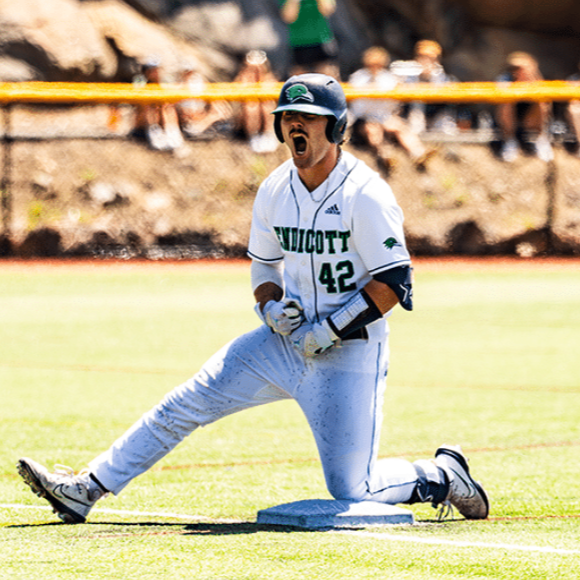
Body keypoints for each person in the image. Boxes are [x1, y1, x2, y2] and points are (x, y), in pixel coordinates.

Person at [16, 74, 489, 525]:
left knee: (352, 489)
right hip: (281, 345)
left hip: (350, 352)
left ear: (337, 126)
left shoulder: (365, 193)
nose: (294, 124)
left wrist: (329, 329)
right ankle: (87, 489)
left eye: (308, 116)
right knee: (186, 401)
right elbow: (265, 266)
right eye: (287, 116)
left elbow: (394, 282)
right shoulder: (276, 188)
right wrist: (268, 307)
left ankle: (441, 475)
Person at [348, 46, 435, 173]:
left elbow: (392, 103)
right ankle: (384, 155)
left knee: (399, 127)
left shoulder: (388, 78)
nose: (375, 67)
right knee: (373, 129)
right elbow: (358, 106)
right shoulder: (358, 78)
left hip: (383, 117)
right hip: (363, 119)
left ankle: (418, 153)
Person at [492, 51, 553, 162]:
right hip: (510, 118)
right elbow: (499, 94)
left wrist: (531, 83)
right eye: (514, 68)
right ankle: (510, 141)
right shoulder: (505, 78)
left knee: (541, 102)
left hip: (530, 119)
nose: (517, 71)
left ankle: (541, 139)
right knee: (506, 103)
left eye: (520, 67)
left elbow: (546, 100)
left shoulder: (536, 79)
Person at [390, 40, 457, 134]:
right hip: (415, 122)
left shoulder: (444, 78)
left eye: (430, 58)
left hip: (439, 121)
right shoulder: (409, 76)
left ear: (437, 60)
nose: (425, 61)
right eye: (422, 57)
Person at [131, 57, 185, 152]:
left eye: (156, 70)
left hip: (162, 114)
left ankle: (171, 132)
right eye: (152, 70)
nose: (155, 72)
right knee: (148, 106)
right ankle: (155, 131)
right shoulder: (140, 81)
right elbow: (138, 101)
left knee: (166, 106)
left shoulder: (165, 81)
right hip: (144, 120)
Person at [232, 50, 279, 153]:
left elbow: (271, 91)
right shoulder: (242, 78)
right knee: (251, 107)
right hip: (242, 117)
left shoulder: (269, 78)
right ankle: (254, 136)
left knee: (267, 106)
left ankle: (269, 135)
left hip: (266, 111)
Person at [280, 0, 340, 79]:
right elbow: (288, 17)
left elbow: (328, 10)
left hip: (322, 41)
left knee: (329, 78)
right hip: (298, 43)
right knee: (299, 81)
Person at [176, 62, 232, 139]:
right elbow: (184, 112)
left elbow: (214, 99)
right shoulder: (179, 87)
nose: (189, 74)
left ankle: (200, 128)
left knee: (218, 106)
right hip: (189, 117)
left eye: (191, 72)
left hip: (200, 114)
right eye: (187, 72)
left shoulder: (200, 85)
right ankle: (197, 129)